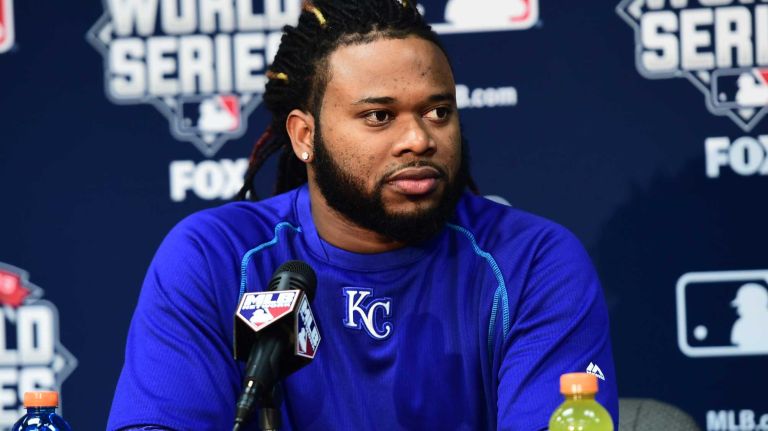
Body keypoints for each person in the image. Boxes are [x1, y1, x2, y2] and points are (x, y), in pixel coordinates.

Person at [107, 1, 619, 429]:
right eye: (379, 116)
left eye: (438, 111)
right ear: (305, 136)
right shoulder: (214, 256)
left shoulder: (533, 263)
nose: (419, 139)